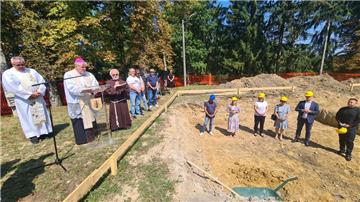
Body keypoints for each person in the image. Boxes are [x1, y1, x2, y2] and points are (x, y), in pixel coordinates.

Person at [2, 56, 53, 144]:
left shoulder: (32, 71)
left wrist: (40, 91)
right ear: (13, 64)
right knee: (28, 116)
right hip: (24, 99)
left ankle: (44, 132)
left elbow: (42, 81)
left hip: (37, 96)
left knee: (41, 113)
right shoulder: (8, 74)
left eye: (23, 64)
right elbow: (12, 87)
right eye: (18, 65)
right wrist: (29, 95)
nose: (21, 66)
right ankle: (33, 135)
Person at [63, 57, 99, 145]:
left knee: (89, 117)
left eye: (85, 67)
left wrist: (93, 89)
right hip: (76, 101)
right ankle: (82, 139)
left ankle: (91, 136)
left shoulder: (89, 74)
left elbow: (95, 84)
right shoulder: (69, 75)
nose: (84, 69)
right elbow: (71, 88)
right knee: (79, 119)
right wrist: (84, 91)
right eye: (82, 67)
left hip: (88, 99)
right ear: (76, 66)